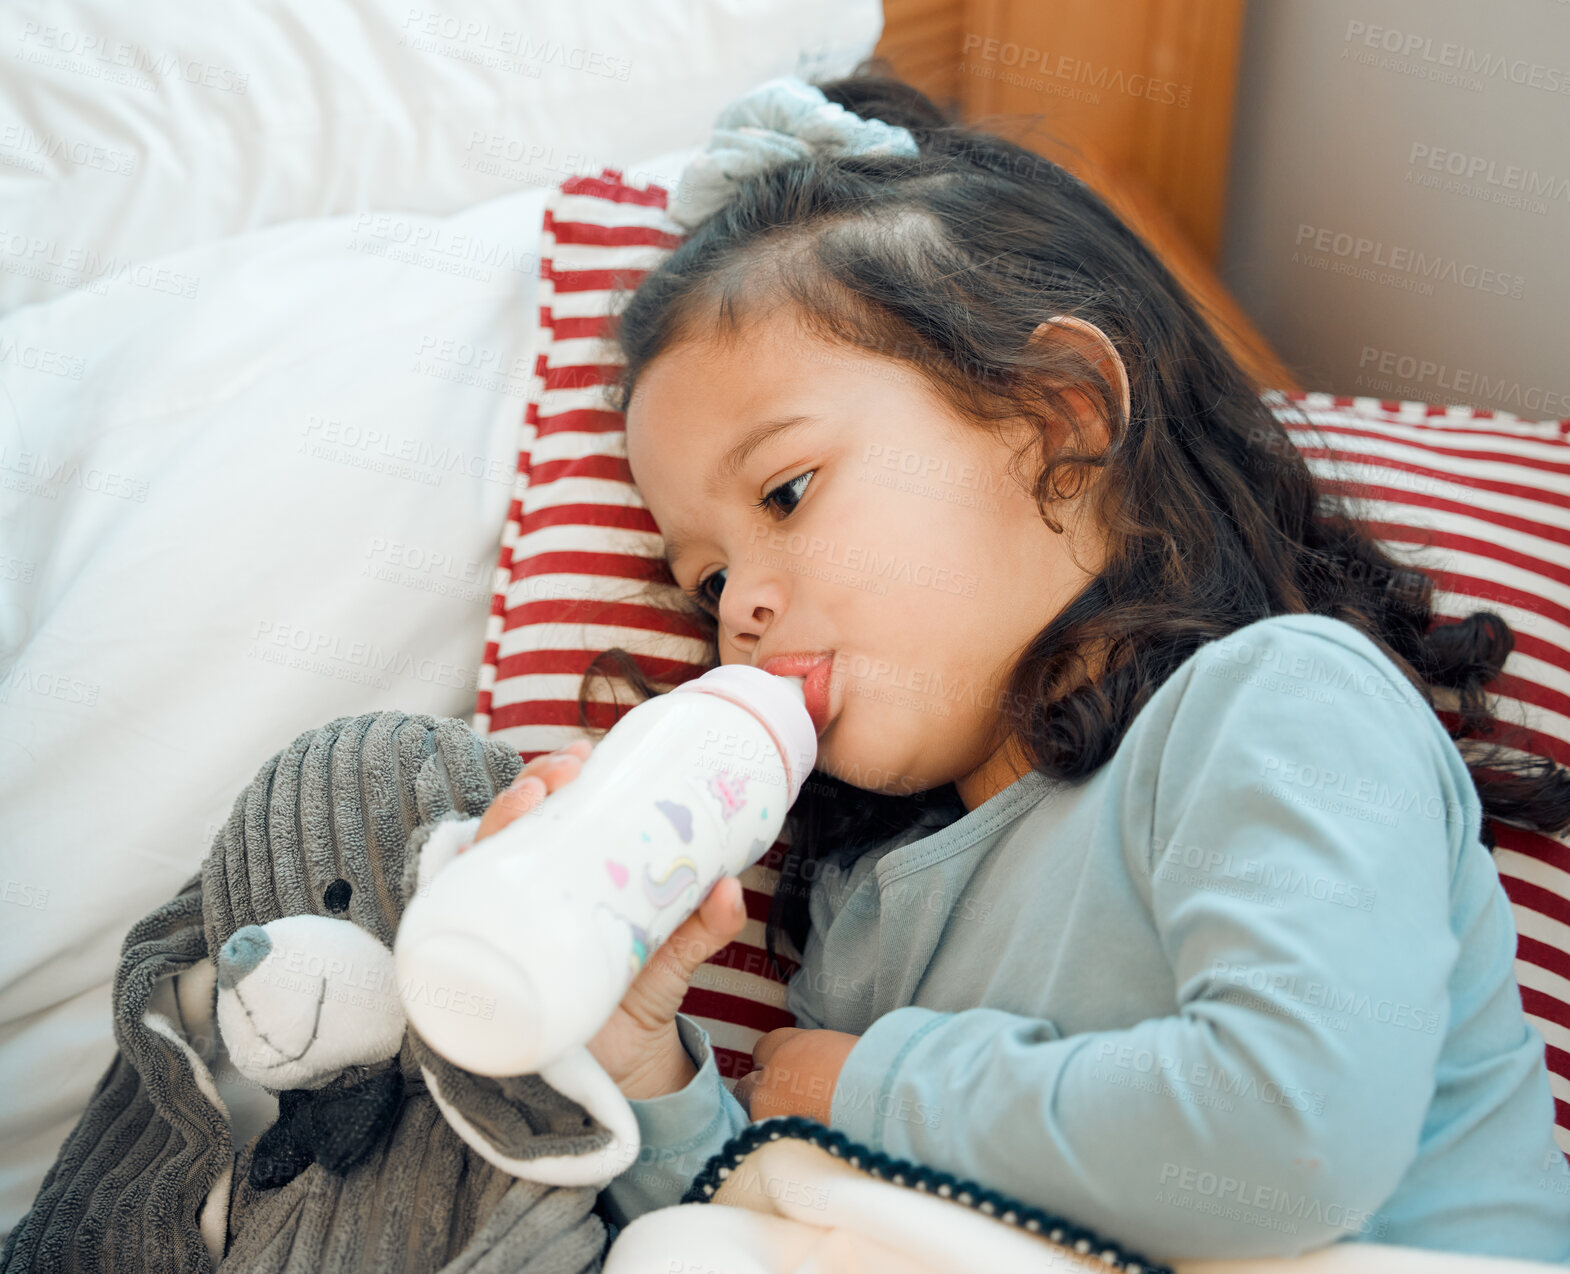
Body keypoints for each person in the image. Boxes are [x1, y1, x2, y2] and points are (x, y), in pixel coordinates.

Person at [472, 67, 1570, 1264]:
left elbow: (1290, 1143)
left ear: (1059, 417)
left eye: (786, 492)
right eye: (706, 577)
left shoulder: (1279, 704)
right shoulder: (866, 920)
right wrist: (644, 1063)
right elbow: (808, 1225)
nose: (742, 606)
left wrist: (865, 1082)